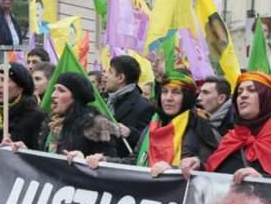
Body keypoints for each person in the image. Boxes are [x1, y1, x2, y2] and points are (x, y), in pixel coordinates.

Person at [180, 71, 271, 181]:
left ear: (266, 98)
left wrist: (261, 180)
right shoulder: (231, 138)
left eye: (251, 90)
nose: (243, 96)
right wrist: (198, 167)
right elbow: (214, 175)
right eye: (239, 92)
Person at [82, 69, 220, 175]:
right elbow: (134, 161)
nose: (168, 98)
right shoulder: (152, 126)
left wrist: (171, 171)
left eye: (176, 93)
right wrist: (105, 161)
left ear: (188, 97)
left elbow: (209, 171)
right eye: (165, 92)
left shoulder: (200, 127)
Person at [41, 72, 117, 156]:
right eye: (54, 89)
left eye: (61, 90)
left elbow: (107, 161)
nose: (53, 95)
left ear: (76, 97)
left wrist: (82, 159)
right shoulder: (51, 122)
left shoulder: (96, 124)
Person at [0, 63, 45, 149]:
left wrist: (25, 151)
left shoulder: (35, 116)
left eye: (3, 80)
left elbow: (40, 153)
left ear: (20, 88)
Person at [104, 55, 154, 156]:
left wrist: (130, 133)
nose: (105, 75)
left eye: (110, 72)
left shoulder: (143, 107)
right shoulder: (105, 100)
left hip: (120, 167)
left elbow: (149, 143)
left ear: (120, 78)